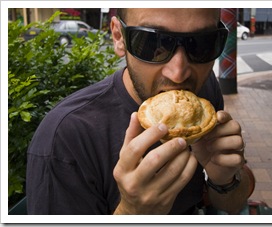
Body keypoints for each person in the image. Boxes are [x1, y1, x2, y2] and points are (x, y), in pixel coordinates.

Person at [26, 8, 252, 215]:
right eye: (152, 42)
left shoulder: (204, 90)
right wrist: (131, 212)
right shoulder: (65, 139)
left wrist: (224, 180)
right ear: (118, 37)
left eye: (202, 43)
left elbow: (231, 204)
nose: (179, 74)